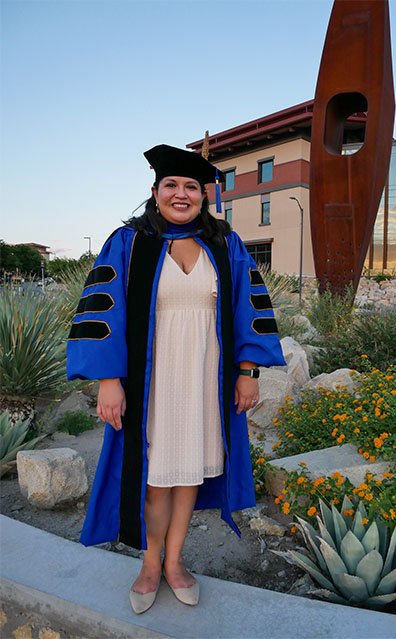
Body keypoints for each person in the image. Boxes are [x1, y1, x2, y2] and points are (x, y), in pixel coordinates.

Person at [66, 144, 285, 613]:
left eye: (191, 187)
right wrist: (109, 380)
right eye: (172, 186)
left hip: (206, 377)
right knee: (154, 477)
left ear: (203, 197)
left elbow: (251, 309)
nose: (181, 194)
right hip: (151, 383)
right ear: (155, 192)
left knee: (189, 471)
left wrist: (247, 373)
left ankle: (175, 562)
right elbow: (104, 312)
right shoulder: (128, 243)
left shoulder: (226, 245)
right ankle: (149, 564)